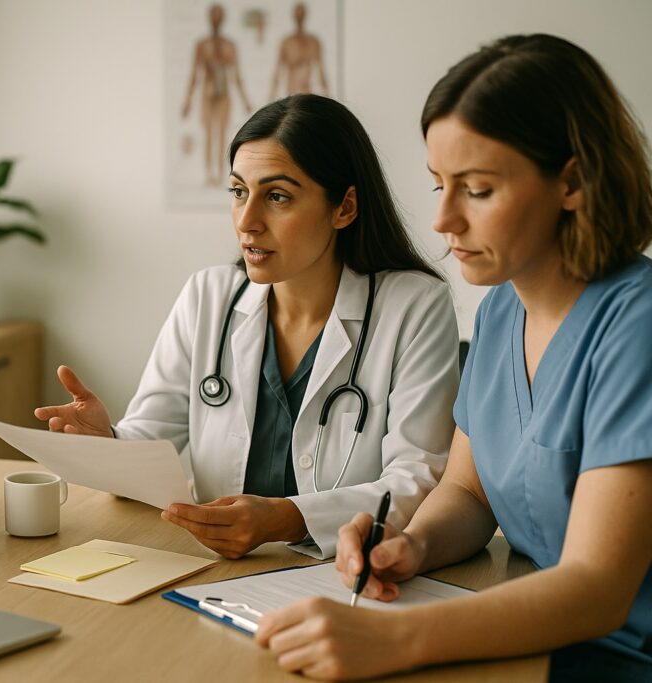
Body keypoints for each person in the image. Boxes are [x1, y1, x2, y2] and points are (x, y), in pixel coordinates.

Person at [256, 34, 652, 682]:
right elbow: (468, 491)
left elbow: (598, 586)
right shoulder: (502, 309)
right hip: (538, 642)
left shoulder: (636, 324)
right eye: (440, 184)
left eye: (476, 189)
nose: (442, 219)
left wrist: (393, 636)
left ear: (573, 181)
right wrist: (411, 545)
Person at [36, 94, 460, 561]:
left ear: (344, 208)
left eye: (277, 196)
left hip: (348, 571)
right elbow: (152, 440)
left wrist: (290, 518)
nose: (247, 221)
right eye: (239, 191)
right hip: (219, 572)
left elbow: (421, 478)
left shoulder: (416, 307)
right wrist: (109, 444)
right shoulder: (209, 296)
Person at [181, 3, 253, 187]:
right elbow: (195, 75)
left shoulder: (229, 46)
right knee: (208, 135)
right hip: (207, 94)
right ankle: (208, 174)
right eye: (213, 15)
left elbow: (236, 76)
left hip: (224, 96)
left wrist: (246, 100)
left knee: (221, 134)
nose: (215, 19)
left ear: (222, 18)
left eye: (218, 15)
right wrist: (188, 101)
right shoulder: (202, 46)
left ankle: (220, 175)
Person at [270, 3, 329, 100]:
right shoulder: (286, 42)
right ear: (293, 16)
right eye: (298, 15)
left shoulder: (313, 41)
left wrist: (328, 97)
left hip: (308, 92)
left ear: (305, 16)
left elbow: (321, 70)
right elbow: (278, 71)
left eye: (302, 15)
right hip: (291, 93)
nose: (299, 18)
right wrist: (271, 98)